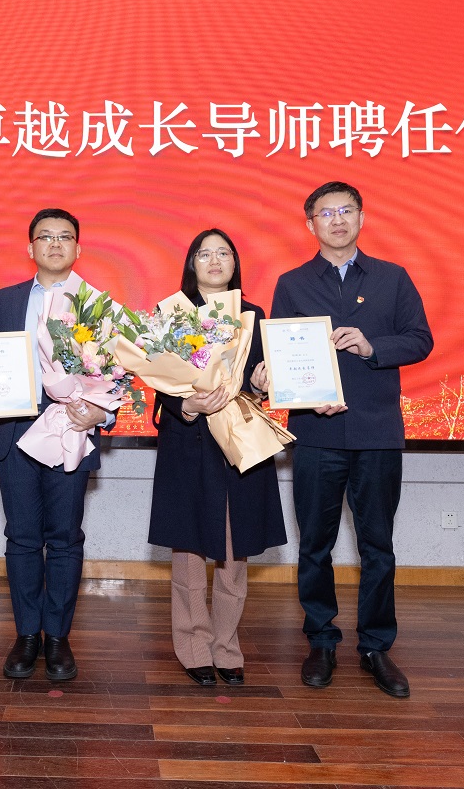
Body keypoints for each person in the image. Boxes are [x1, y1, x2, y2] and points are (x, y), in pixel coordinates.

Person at [252, 181, 433, 697]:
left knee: (378, 546)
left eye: (346, 210)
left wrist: (372, 346)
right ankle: (321, 640)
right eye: (326, 213)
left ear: (361, 218)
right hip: (316, 432)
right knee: (315, 544)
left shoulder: (393, 278)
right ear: (310, 224)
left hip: (377, 432)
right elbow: (286, 355)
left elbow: (421, 340)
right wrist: (303, 396)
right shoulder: (292, 283)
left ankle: (376, 646)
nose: (337, 220)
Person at [148, 229, 288, 686]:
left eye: (223, 253)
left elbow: (258, 382)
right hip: (189, 441)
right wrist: (187, 405)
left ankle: (226, 647)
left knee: (234, 552)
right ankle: (193, 647)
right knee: (189, 553)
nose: (214, 260)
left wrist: (262, 384)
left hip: (238, 441)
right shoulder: (171, 314)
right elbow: (158, 383)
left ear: (234, 262)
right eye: (204, 253)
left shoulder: (253, 315)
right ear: (191, 263)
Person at [0, 208, 111, 682]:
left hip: (70, 430)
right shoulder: (7, 298)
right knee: (21, 537)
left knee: (65, 538)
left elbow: (116, 375)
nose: (55, 243)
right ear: (30, 247)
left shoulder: (98, 304)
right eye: (45, 236)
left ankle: (57, 636)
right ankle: (26, 635)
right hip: (15, 430)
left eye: (64, 236)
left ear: (78, 248)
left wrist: (100, 413)